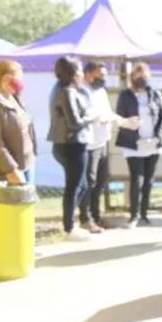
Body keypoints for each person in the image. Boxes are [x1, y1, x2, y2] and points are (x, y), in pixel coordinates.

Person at [47, 56, 98, 241]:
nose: (82, 74)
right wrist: (92, 116)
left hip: (67, 144)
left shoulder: (62, 89)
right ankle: (68, 227)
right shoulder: (66, 91)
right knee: (74, 186)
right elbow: (75, 122)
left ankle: (69, 222)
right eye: (79, 71)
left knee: (82, 185)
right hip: (72, 144)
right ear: (73, 73)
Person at [116, 62, 162, 228]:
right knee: (136, 179)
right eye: (139, 77)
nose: (142, 80)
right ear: (133, 77)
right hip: (134, 144)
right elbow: (119, 118)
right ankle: (134, 215)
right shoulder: (125, 95)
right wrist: (128, 123)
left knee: (148, 180)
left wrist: (157, 137)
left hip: (153, 143)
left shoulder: (154, 94)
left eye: (145, 77)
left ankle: (144, 215)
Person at [78, 61, 122, 232]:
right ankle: (85, 218)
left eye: (105, 75)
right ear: (89, 74)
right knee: (89, 181)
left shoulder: (101, 91)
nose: (104, 79)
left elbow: (107, 112)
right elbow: (87, 115)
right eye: (100, 75)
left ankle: (96, 216)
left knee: (101, 181)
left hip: (103, 140)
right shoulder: (82, 91)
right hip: (89, 143)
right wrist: (100, 118)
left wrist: (121, 120)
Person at [0, 60, 36, 185]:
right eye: (19, 78)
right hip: (14, 169)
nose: (21, 82)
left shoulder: (15, 98)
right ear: (6, 78)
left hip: (28, 162)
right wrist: (11, 169)